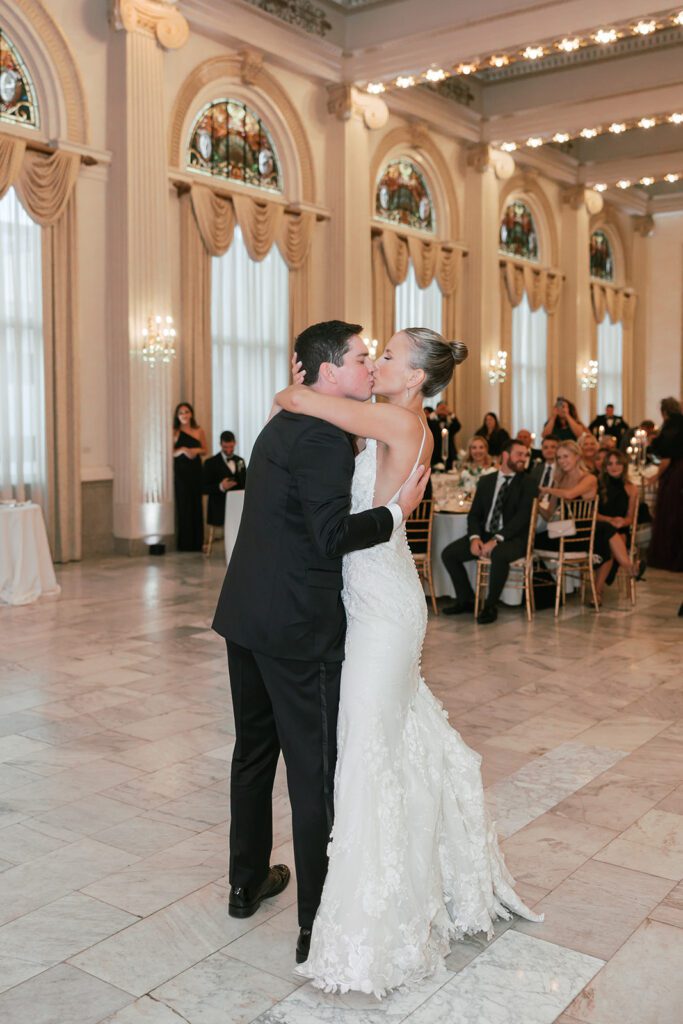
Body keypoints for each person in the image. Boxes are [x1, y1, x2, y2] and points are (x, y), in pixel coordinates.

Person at [275, 327, 540, 996]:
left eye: (386, 356)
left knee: (366, 751)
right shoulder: (403, 420)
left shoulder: (393, 418)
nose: (376, 363)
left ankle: (374, 921)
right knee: (395, 742)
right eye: (374, 355)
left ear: (415, 377)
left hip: (382, 612)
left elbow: (295, 399)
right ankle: (441, 872)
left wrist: (302, 384)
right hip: (376, 595)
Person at [212, 321, 429, 972]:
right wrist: (395, 517)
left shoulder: (285, 423)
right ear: (326, 372)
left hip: (245, 615)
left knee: (253, 756)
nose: (368, 369)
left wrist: (294, 391)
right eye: (361, 359)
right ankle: (316, 924)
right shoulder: (326, 439)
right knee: (314, 773)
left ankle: (245, 883)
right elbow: (330, 533)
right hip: (295, 631)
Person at [442, 439, 536, 624]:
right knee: (449, 554)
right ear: (506, 455)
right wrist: (475, 538)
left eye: (525, 455)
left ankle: (490, 605)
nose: (523, 459)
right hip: (485, 533)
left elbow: (522, 518)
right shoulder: (486, 481)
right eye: (519, 454)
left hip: (514, 538)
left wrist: (497, 539)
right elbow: (474, 515)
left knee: (499, 554)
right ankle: (466, 599)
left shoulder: (528, 482)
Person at [537, 441, 636, 605]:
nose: (562, 461)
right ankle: (629, 566)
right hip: (564, 532)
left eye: (566, 456)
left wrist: (547, 490)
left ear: (577, 456)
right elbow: (548, 515)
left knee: (604, 532)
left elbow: (570, 495)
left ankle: (610, 581)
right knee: (605, 532)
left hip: (583, 534)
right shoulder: (559, 480)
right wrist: (537, 503)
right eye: (559, 457)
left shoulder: (589, 478)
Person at [594, 450, 639, 600]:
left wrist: (622, 521)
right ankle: (630, 567)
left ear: (624, 466)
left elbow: (630, 518)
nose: (614, 467)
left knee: (616, 539)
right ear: (605, 467)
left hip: (621, 529)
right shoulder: (597, 484)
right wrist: (609, 520)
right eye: (610, 463)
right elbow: (592, 514)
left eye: (618, 463)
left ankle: (597, 593)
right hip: (599, 528)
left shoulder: (631, 488)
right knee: (610, 541)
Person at [648, 396, 683, 572]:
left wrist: (655, 476)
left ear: (664, 412)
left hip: (676, 474)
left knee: (671, 514)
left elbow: (667, 458)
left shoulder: (671, 427)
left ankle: (670, 557)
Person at [173, 402, 207, 551]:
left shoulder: (199, 430)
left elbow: (205, 449)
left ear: (191, 414)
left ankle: (197, 542)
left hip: (195, 471)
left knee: (196, 504)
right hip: (181, 473)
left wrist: (195, 451)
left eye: (186, 412)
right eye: (181, 413)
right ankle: (184, 544)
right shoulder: (174, 432)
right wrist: (182, 450)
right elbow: (171, 452)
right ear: (177, 416)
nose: (184, 415)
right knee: (183, 505)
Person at [202, 430, 247, 528]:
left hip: (237, 507)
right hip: (219, 508)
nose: (228, 450)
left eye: (231, 447)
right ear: (220, 444)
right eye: (225, 447)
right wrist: (221, 486)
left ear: (235, 443)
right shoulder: (210, 463)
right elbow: (203, 488)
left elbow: (245, 483)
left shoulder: (240, 461)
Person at [428, 400, 461, 468]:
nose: (442, 411)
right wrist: (436, 412)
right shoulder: (432, 423)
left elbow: (458, 426)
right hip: (435, 454)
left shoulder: (449, 423)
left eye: (444, 409)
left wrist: (450, 413)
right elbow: (427, 423)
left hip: (449, 455)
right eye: (441, 409)